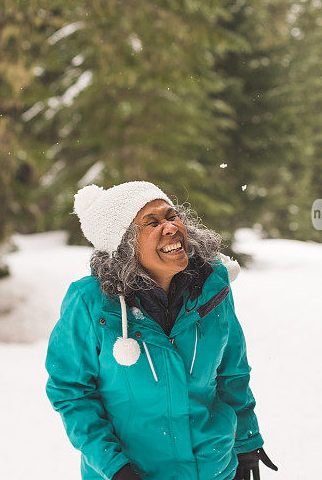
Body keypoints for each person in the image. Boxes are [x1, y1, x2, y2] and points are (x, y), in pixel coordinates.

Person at [45, 181, 277, 480]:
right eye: (152, 223)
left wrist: (246, 441)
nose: (170, 227)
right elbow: (72, 393)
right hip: (135, 472)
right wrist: (115, 468)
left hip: (212, 468)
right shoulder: (90, 302)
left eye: (171, 216)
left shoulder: (212, 288)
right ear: (125, 244)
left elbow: (232, 372)